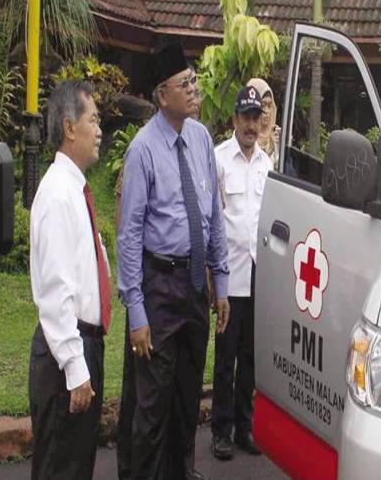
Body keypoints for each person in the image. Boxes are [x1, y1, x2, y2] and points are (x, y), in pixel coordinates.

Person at [117, 41, 230, 480]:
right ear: (162, 95)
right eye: (185, 84)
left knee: (186, 397)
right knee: (152, 402)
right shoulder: (143, 150)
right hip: (158, 287)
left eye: (194, 81)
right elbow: (128, 236)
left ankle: (180, 472)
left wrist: (220, 282)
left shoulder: (201, 137)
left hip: (195, 286)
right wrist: (137, 313)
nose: (194, 89)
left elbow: (213, 215)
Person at [28, 80, 110, 480]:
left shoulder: (74, 189)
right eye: (93, 120)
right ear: (68, 127)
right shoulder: (59, 195)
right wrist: (76, 369)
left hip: (82, 346)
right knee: (61, 467)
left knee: (77, 466)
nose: (100, 130)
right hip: (67, 353)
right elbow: (56, 293)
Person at [209, 85, 271, 459]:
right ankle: (220, 429)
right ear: (235, 119)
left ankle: (245, 428)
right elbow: (212, 220)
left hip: (259, 275)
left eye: (256, 118)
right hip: (228, 278)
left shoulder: (267, 165)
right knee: (225, 358)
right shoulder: (219, 160)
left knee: (250, 359)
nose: (251, 125)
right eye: (246, 117)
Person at [247, 77, 280, 169]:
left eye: (270, 106)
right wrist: (268, 152)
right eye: (263, 105)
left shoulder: (276, 135)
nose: (267, 111)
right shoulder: (244, 136)